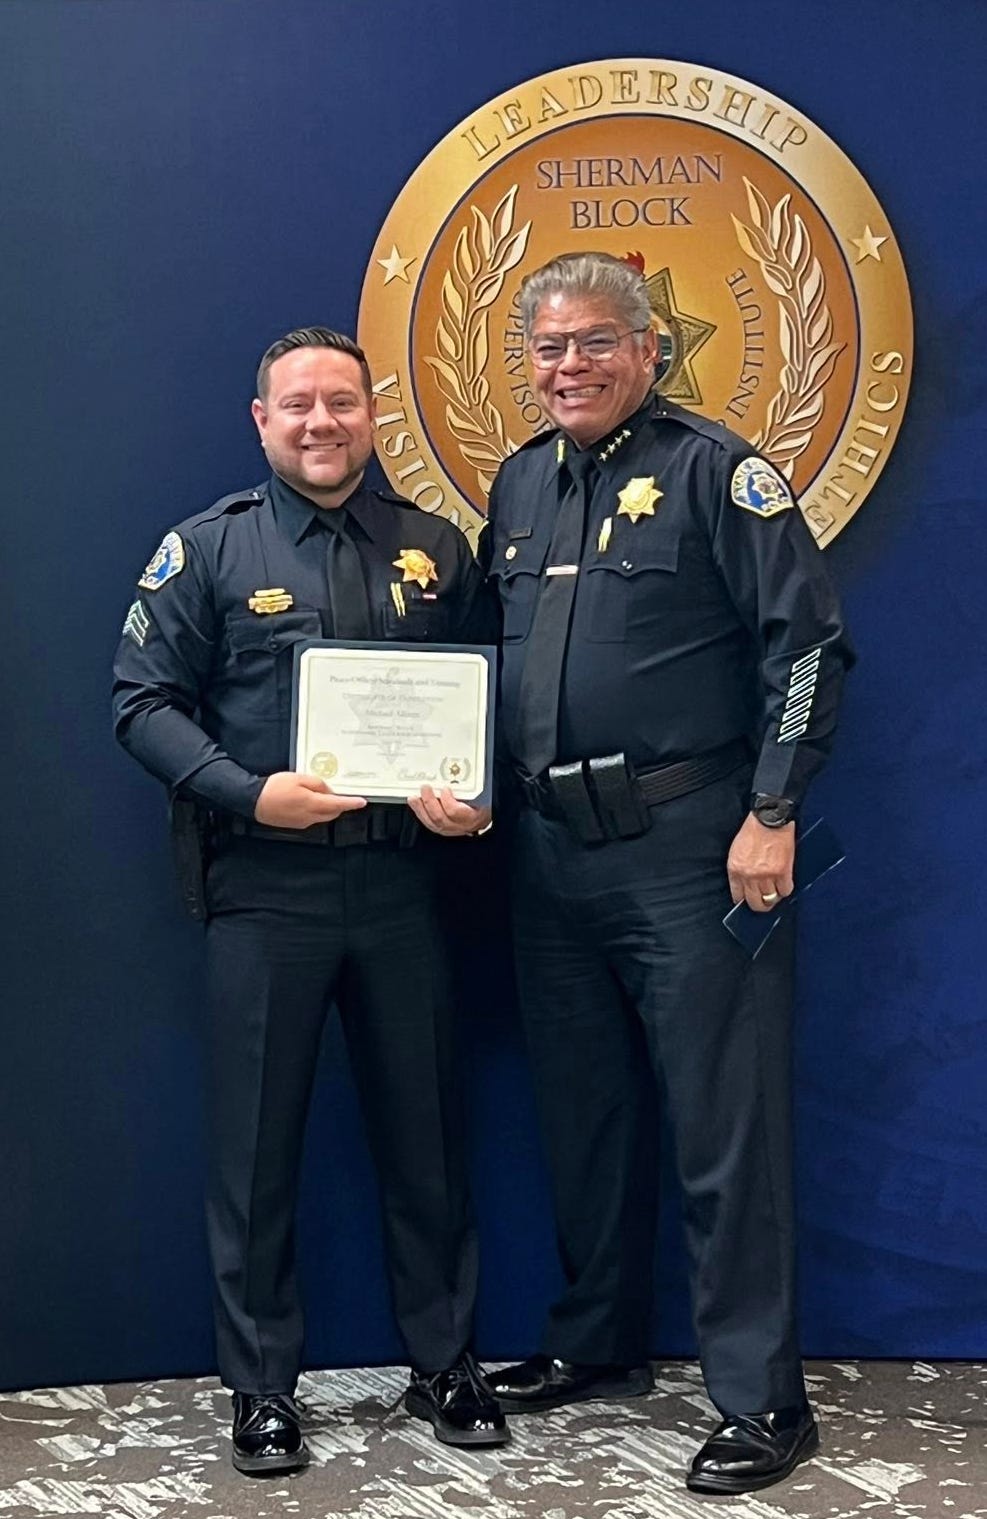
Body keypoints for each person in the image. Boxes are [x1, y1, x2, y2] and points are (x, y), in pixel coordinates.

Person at [479, 253, 854, 1495]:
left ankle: (761, 1398)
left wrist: (774, 809)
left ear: (651, 349)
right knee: (582, 1116)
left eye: (596, 342)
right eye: (549, 347)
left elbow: (809, 646)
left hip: (692, 848)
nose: (569, 366)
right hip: (547, 853)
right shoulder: (520, 482)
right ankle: (597, 1341)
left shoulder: (717, 472)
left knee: (723, 1127)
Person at [112, 327, 503, 1475]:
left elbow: (490, 695)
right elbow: (141, 702)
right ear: (263, 420)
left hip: (402, 887)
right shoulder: (207, 549)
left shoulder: (434, 547)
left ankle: (445, 1360)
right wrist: (247, 793)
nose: (322, 422)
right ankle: (263, 1387)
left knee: (429, 1137)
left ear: (372, 414)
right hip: (266, 890)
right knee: (256, 1151)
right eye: (299, 405)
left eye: (342, 401)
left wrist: (475, 797)